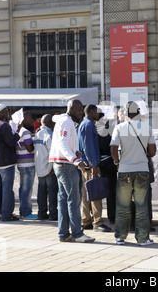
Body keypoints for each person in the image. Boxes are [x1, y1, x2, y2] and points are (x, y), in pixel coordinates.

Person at [110, 101, 156, 246]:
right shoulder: (147, 127)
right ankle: (142, 238)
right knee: (142, 206)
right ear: (138, 112)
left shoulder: (119, 127)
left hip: (124, 170)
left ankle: (120, 237)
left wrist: (118, 163)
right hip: (142, 169)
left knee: (123, 205)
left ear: (125, 113)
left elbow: (113, 148)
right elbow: (153, 152)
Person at [49, 99, 95, 243]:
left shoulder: (64, 120)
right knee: (74, 200)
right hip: (67, 165)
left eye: (81, 110)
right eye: (79, 109)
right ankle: (77, 233)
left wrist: (74, 152)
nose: (81, 113)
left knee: (64, 200)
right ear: (71, 108)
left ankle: (63, 233)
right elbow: (62, 143)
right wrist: (75, 160)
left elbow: (63, 142)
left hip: (61, 164)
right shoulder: (67, 122)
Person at [77, 104, 112, 232]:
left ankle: (85, 220)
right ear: (92, 112)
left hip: (85, 164)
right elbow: (89, 147)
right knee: (95, 192)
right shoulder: (88, 125)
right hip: (90, 164)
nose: (98, 115)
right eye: (97, 112)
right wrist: (94, 165)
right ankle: (97, 221)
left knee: (86, 193)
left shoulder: (83, 124)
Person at [0, 104, 22, 221]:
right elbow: (11, 142)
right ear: (0, 112)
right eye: (6, 111)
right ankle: (6, 214)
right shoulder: (4, 126)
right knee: (7, 189)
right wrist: (17, 132)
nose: (8, 113)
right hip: (6, 162)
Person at [33, 114, 58, 221]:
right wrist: (53, 167)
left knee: (41, 192)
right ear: (50, 123)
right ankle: (53, 214)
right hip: (49, 167)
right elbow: (53, 152)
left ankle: (41, 213)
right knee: (52, 192)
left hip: (40, 167)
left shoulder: (37, 134)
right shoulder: (50, 135)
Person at [15, 111, 37, 220]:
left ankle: (22, 210)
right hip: (28, 164)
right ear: (24, 120)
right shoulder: (26, 132)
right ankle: (26, 212)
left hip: (20, 163)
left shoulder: (17, 131)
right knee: (27, 189)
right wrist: (36, 147)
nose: (32, 121)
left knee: (22, 188)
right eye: (30, 118)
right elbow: (30, 148)